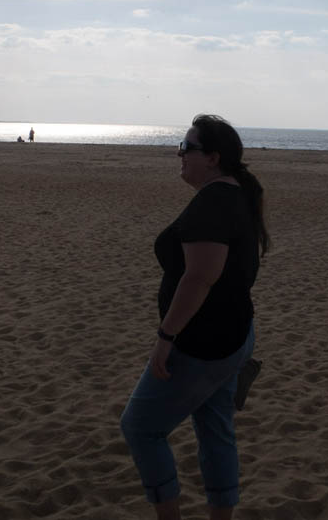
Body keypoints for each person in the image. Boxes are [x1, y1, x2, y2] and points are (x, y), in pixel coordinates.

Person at [120, 114, 270, 520]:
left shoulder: (215, 202)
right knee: (215, 429)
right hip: (235, 336)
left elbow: (200, 278)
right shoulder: (236, 193)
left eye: (188, 148)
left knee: (140, 428)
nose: (180, 155)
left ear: (213, 158)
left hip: (204, 346)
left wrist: (165, 337)